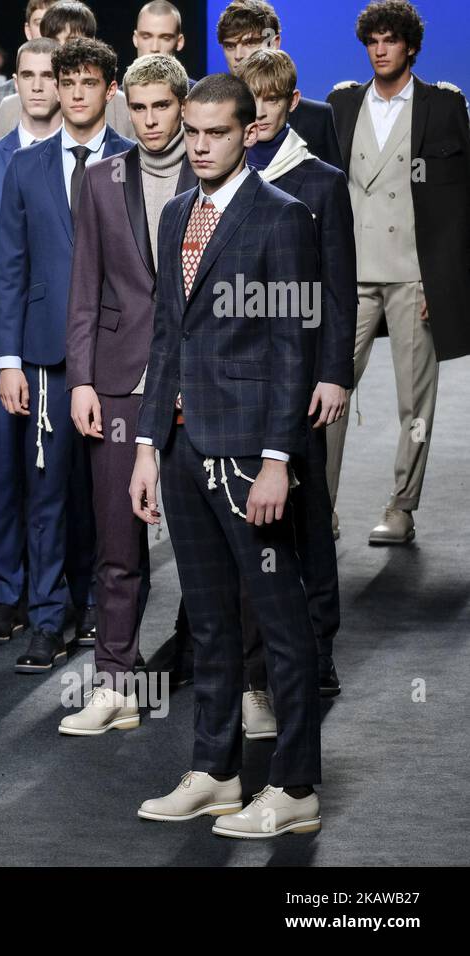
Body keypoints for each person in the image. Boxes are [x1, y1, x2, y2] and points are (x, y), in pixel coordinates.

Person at [129, 73, 323, 839]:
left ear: (249, 133)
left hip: (249, 450)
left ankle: (296, 784)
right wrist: (146, 444)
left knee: (278, 623)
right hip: (180, 445)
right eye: (193, 130)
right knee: (207, 622)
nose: (201, 143)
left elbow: (292, 345)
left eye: (217, 132)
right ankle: (215, 771)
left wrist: (278, 456)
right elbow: (166, 336)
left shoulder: (283, 218)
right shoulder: (177, 211)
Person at [61, 53, 196, 733]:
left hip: (198, 382)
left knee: (215, 544)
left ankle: (235, 679)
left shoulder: (214, 171)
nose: (148, 120)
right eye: (137, 107)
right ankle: (115, 682)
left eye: (161, 107)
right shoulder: (100, 177)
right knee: (118, 544)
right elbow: (84, 287)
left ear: (182, 104)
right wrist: (81, 380)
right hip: (118, 380)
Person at [0, 38, 131, 671]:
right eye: (65, 81)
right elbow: (9, 267)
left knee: (111, 495)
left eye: (86, 81)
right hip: (46, 350)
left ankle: (108, 610)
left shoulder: (136, 162)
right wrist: (10, 359)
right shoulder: (27, 165)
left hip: (117, 353)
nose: (74, 93)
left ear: (109, 88)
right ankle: (48, 619)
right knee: (46, 492)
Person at [235, 48, 356, 703]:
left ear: (289, 105)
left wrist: (334, 374)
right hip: (234, 381)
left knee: (308, 518)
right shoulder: (218, 178)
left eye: (268, 104)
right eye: (246, 106)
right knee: (243, 517)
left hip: (301, 377)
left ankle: (318, 645)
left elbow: (340, 289)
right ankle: (247, 652)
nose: (256, 118)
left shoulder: (320, 182)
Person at [325, 0, 470, 545]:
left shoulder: (442, 106)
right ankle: (321, 507)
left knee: (416, 402)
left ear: (409, 45)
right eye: (373, 40)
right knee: (329, 388)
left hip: (414, 273)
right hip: (352, 273)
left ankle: (402, 507)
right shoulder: (343, 104)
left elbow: (458, 201)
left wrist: (446, 280)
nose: (380, 49)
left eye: (390, 39)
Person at [0, 36, 61, 645]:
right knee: (0, 470)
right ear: (14, 84)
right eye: (27, 74)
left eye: (51, 74)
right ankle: (3, 591)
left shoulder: (86, 159)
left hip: (61, 339)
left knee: (55, 473)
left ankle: (63, 590)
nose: (40, 85)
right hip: (0, 340)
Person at [214, 0, 343, 169]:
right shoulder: (211, 112)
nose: (238, 55)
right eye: (230, 46)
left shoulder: (316, 118)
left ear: (273, 43)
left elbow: (331, 185)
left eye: (249, 43)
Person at [0, 2, 133, 142]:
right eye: (53, 41)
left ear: (91, 42)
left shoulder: (119, 105)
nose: (62, 48)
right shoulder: (11, 107)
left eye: (72, 40)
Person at [0, 0, 55, 110]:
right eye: (39, 23)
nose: (46, 31)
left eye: (53, 23)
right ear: (28, 31)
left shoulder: (79, 94)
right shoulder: (0, 96)